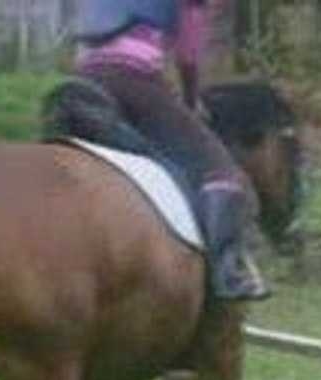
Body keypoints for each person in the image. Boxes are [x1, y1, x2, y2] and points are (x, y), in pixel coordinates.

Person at [73, 0, 270, 301]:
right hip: (134, 80)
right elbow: (188, 55)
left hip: (83, 81)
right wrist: (191, 101)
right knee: (220, 170)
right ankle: (226, 273)